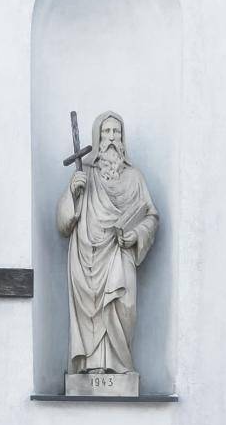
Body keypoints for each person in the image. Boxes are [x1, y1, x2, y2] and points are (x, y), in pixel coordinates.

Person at [57, 111, 159, 375]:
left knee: (123, 305)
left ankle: (118, 365)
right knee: (90, 311)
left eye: (116, 132)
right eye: (106, 132)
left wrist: (135, 235)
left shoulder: (135, 178)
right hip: (87, 255)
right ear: (97, 137)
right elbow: (64, 223)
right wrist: (73, 192)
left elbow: (151, 216)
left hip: (120, 251)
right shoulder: (86, 176)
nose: (111, 138)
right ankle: (91, 367)